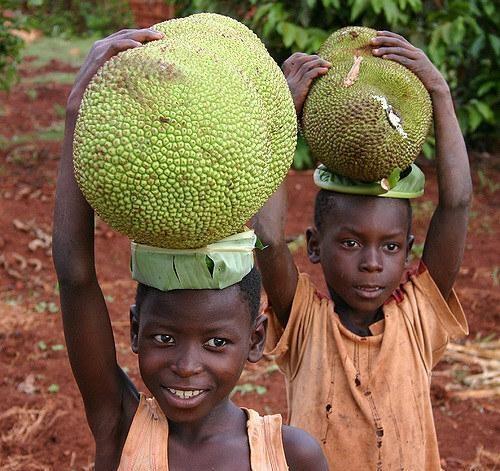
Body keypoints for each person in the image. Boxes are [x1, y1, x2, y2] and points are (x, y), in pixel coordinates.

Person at [52, 28, 328, 471]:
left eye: (217, 342)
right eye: (164, 337)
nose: (186, 365)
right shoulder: (120, 426)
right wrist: (76, 111)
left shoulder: (293, 455)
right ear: (135, 330)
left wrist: (272, 120)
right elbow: (74, 275)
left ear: (255, 340)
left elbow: (271, 238)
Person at [253, 30, 472, 470]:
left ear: (408, 252)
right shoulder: (303, 325)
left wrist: (440, 93)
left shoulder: (418, 317)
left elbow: (457, 202)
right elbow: (270, 239)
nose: (372, 263)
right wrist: (282, 115)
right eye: (350, 243)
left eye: (390, 247)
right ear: (314, 246)